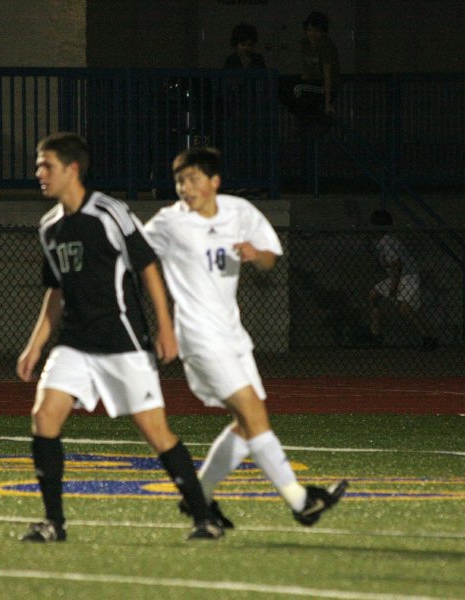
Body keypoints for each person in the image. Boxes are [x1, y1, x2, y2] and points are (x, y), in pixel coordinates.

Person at [16, 132, 222, 542]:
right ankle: (53, 522)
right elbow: (55, 292)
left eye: (47, 165)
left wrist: (165, 327)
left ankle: (205, 518)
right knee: (44, 417)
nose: (39, 173)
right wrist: (36, 344)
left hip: (122, 342)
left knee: (156, 432)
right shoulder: (49, 227)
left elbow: (147, 267)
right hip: (74, 343)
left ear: (72, 169)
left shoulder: (109, 212)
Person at [144, 146, 347, 528]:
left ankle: (198, 498)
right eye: (179, 181)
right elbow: (138, 257)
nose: (185, 187)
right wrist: (164, 324)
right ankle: (301, 501)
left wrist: (256, 254)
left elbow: (270, 259)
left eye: (192, 179)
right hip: (199, 337)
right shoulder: (168, 222)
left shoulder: (240, 212)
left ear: (214, 182)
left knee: (245, 422)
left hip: (233, 334)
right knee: (254, 416)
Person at [366, 209, 439, 351]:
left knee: (404, 308)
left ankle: (428, 337)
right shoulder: (381, 242)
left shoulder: (387, 242)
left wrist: (394, 285)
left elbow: (398, 265)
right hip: (397, 275)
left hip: (407, 276)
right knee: (373, 295)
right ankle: (375, 334)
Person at [296, 10, 341, 118]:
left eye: (316, 31)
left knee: (297, 89)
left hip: (326, 86)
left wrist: (328, 101)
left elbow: (327, 74)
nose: (312, 34)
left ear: (323, 32)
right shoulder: (304, 43)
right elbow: (306, 68)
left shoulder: (327, 45)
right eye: (309, 30)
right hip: (312, 84)